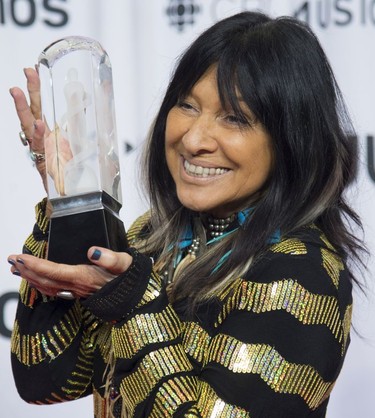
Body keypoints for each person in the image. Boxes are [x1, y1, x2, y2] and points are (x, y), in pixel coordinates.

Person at [8, 11, 365, 418]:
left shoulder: (304, 273)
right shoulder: (151, 236)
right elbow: (45, 380)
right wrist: (70, 202)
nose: (193, 139)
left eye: (235, 118)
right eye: (187, 106)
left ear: (291, 140)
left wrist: (133, 302)